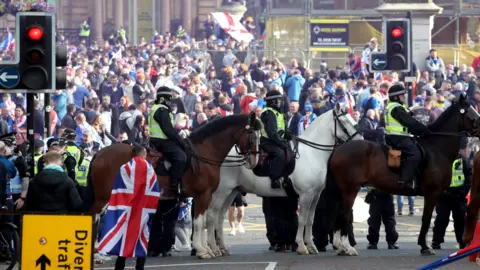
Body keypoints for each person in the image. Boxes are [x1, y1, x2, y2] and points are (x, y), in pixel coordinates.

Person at [383, 84, 431, 190]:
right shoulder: (396, 108)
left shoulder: (391, 106)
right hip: (398, 138)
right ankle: (404, 181)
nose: (404, 97)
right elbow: (410, 123)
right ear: (396, 97)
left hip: (395, 136)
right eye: (402, 95)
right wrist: (425, 130)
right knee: (415, 154)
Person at [149, 86, 187, 194]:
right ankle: (174, 185)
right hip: (161, 141)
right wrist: (181, 142)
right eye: (168, 99)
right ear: (163, 98)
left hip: (157, 139)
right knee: (181, 157)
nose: (169, 101)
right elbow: (168, 130)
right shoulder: (162, 110)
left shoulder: (156, 107)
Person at [432, 152, 471, 250]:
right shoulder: (442, 160)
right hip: (444, 195)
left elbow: (469, 178)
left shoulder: (463, 161)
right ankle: (436, 241)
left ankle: (462, 241)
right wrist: (441, 191)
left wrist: (463, 193)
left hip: (459, 195)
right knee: (441, 219)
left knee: (460, 220)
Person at [260, 90, 291, 189]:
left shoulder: (279, 113)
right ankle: (275, 179)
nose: (281, 102)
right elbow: (272, 133)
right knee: (280, 154)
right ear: (273, 101)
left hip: (277, 140)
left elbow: (283, 130)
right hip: (268, 142)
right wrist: (282, 143)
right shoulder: (268, 112)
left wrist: (290, 136)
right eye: (279, 100)